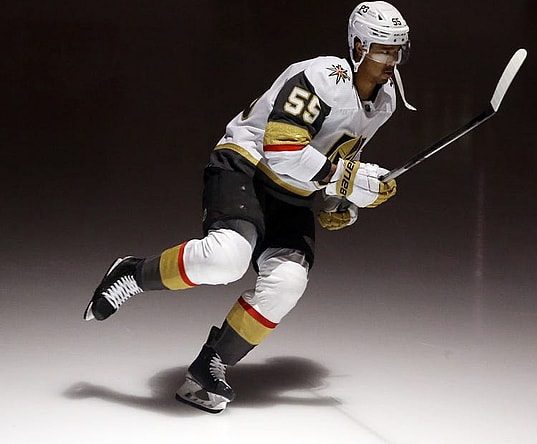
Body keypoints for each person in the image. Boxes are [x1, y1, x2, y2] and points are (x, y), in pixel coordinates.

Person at [82, 1, 414, 414]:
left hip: (292, 193)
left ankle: (210, 365)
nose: (392, 60)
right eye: (383, 49)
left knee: (288, 283)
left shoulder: (385, 102)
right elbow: (281, 148)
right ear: (359, 46)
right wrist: (346, 178)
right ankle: (132, 273)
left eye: (398, 51)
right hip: (248, 168)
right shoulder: (323, 77)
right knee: (226, 259)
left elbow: (330, 156)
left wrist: (337, 199)